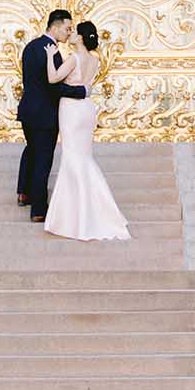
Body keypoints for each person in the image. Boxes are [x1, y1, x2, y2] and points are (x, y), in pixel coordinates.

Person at [44, 19, 130, 242]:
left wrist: (48, 57)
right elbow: (87, 86)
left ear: (80, 38)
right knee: (84, 157)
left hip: (71, 109)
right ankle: (99, 209)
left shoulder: (74, 58)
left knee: (72, 157)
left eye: (74, 32)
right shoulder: (94, 60)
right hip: (86, 109)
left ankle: (76, 216)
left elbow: (53, 78)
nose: (70, 34)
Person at [16, 9, 88, 222]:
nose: (68, 33)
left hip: (28, 110)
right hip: (45, 114)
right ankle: (39, 209)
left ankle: (24, 192)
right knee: (43, 159)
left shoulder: (30, 47)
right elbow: (53, 86)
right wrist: (80, 92)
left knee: (31, 150)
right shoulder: (51, 50)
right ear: (55, 26)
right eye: (67, 28)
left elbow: (30, 82)